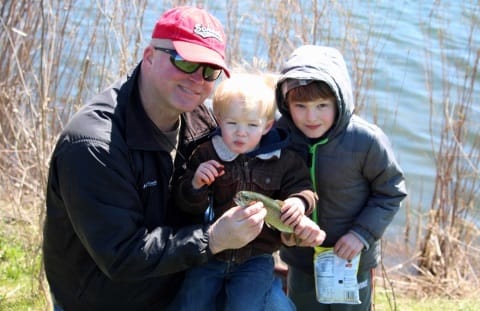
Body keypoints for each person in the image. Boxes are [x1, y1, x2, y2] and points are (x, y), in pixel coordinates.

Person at [42, 6, 272, 311]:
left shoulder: (202, 120)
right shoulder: (93, 145)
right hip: (103, 301)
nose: (198, 79)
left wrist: (285, 220)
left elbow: (248, 168)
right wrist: (213, 239)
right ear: (149, 56)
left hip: (176, 288)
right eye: (185, 62)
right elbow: (122, 254)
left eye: (210, 70)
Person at [169, 73, 325, 311]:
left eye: (252, 125)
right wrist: (196, 184)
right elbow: (186, 204)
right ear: (219, 120)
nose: (241, 132)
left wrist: (298, 202)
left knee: (247, 306)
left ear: (267, 126)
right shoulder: (206, 154)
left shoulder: (284, 160)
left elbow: (304, 187)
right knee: (190, 303)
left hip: (256, 257)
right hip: (211, 253)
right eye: (232, 124)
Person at [274, 45, 408, 311]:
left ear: (339, 100)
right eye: (300, 106)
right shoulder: (279, 136)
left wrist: (361, 234)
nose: (311, 117)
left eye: (322, 105)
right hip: (302, 258)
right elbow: (266, 186)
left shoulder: (366, 140)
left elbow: (390, 192)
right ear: (286, 104)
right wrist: (283, 229)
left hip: (353, 257)